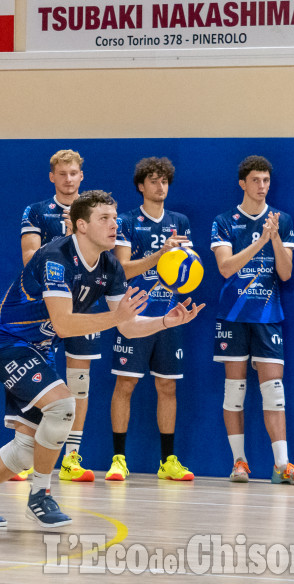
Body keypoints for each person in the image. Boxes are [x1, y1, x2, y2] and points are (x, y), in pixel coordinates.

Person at [0, 190, 203, 527]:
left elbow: (127, 327)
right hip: (5, 341)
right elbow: (66, 324)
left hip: (38, 348)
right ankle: (40, 496)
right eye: (105, 219)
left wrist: (166, 321)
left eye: (115, 218)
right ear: (81, 225)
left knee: (27, 447)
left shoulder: (110, 265)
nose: (115, 225)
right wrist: (116, 318)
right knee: (64, 406)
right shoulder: (56, 257)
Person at [211, 155, 294, 485]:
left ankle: (282, 466)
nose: (262, 186)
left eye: (266, 181)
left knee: (274, 392)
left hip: (268, 316)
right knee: (234, 391)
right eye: (256, 180)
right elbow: (226, 268)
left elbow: (285, 272)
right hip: (233, 316)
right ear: (243, 183)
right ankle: (239, 462)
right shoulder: (224, 221)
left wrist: (275, 238)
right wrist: (260, 243)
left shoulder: (282, 220)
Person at [109, 157, 196, 482]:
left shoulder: (181, 222)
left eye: (165, 181)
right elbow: (122, 269)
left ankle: (168, 461)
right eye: (154, 181)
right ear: (141, 186)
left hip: (168, 316)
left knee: (167, 386)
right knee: (126, 384)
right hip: (135, 312)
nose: (161, 187)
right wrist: (159, 256)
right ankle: (118, 459)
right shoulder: (128, 221)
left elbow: (188, 270)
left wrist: (184, 294)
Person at [18, 149, 99, 483]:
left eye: (74, 173)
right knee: (38, 385)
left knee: (79, 385)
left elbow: (105, 260)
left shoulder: (96, 212)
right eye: (62, 173)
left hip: (82, 307)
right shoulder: (36, 211)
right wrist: (66, 239)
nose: (68, 179)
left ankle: (71, 459)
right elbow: (28, 259)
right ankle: (25, 456)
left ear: (82, 176)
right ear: (52, 176)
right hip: (43, 309)